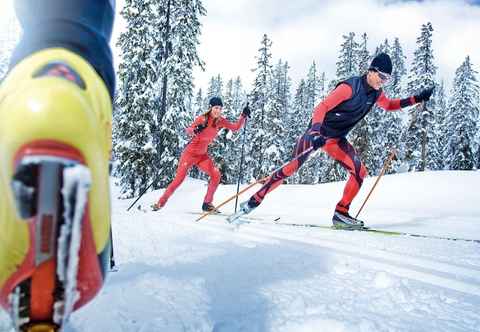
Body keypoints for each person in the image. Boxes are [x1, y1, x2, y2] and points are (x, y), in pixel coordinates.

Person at [0, 1, 115, 331]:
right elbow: (192, 131)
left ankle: (32, 90)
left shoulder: (218, 123)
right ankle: (75, 84)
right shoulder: (204, 121)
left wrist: (238, 122)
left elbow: (229, 128)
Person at [237, 53, 433, 229]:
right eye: (382, 76)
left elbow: (389, 105)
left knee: (359, 172)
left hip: (336, 139)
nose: (383, 81)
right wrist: (314, 133)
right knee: (292, 168)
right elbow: (321, 108)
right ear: (371, 71)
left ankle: (341, 213)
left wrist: (416, 98)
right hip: (318, 134)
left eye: (387, 79)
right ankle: (254, 200)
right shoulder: (349, 88)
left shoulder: (376, 93)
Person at [153, 97, 250, 212]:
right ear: (210, 108)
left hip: (202, 156)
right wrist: (195, 130)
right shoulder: (203, 119)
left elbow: (235, 128)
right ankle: (160, 203)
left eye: (220, 108)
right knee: (178, 180)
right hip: (189, 155)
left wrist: (243, 116)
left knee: (216, 174)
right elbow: (188, 130)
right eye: (215, 108)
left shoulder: (220, 121)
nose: (218, 110)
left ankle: (207, 204)